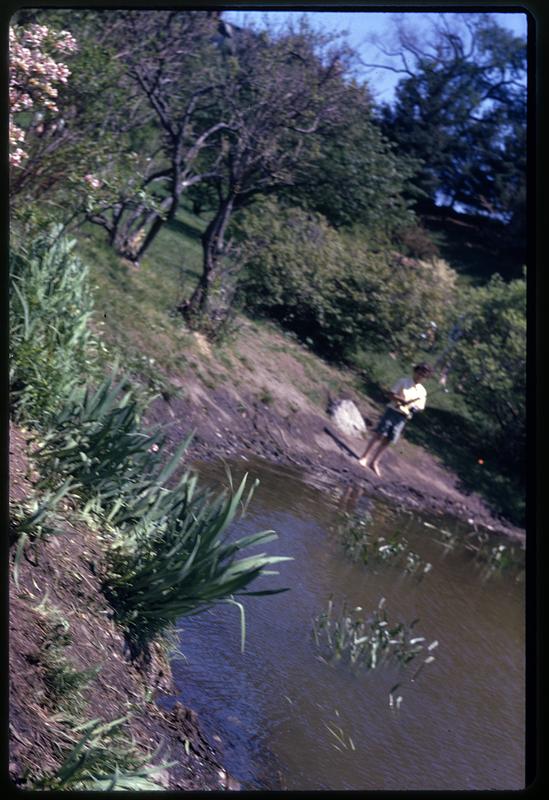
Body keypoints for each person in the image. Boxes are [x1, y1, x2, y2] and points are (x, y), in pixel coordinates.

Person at [358, 363, 432, 477]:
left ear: (426, 377)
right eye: (420, 372)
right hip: (392, 411)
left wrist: (414, 408)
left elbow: (420, 407)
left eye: (424, 374)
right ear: (415, 371)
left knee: (389, 439)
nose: (421, 375)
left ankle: (374, 462)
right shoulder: (403, 381)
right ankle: (365, 457)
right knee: (379, 434)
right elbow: (391, 394)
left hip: (403, 417)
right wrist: (401, 400)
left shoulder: (423, 392)